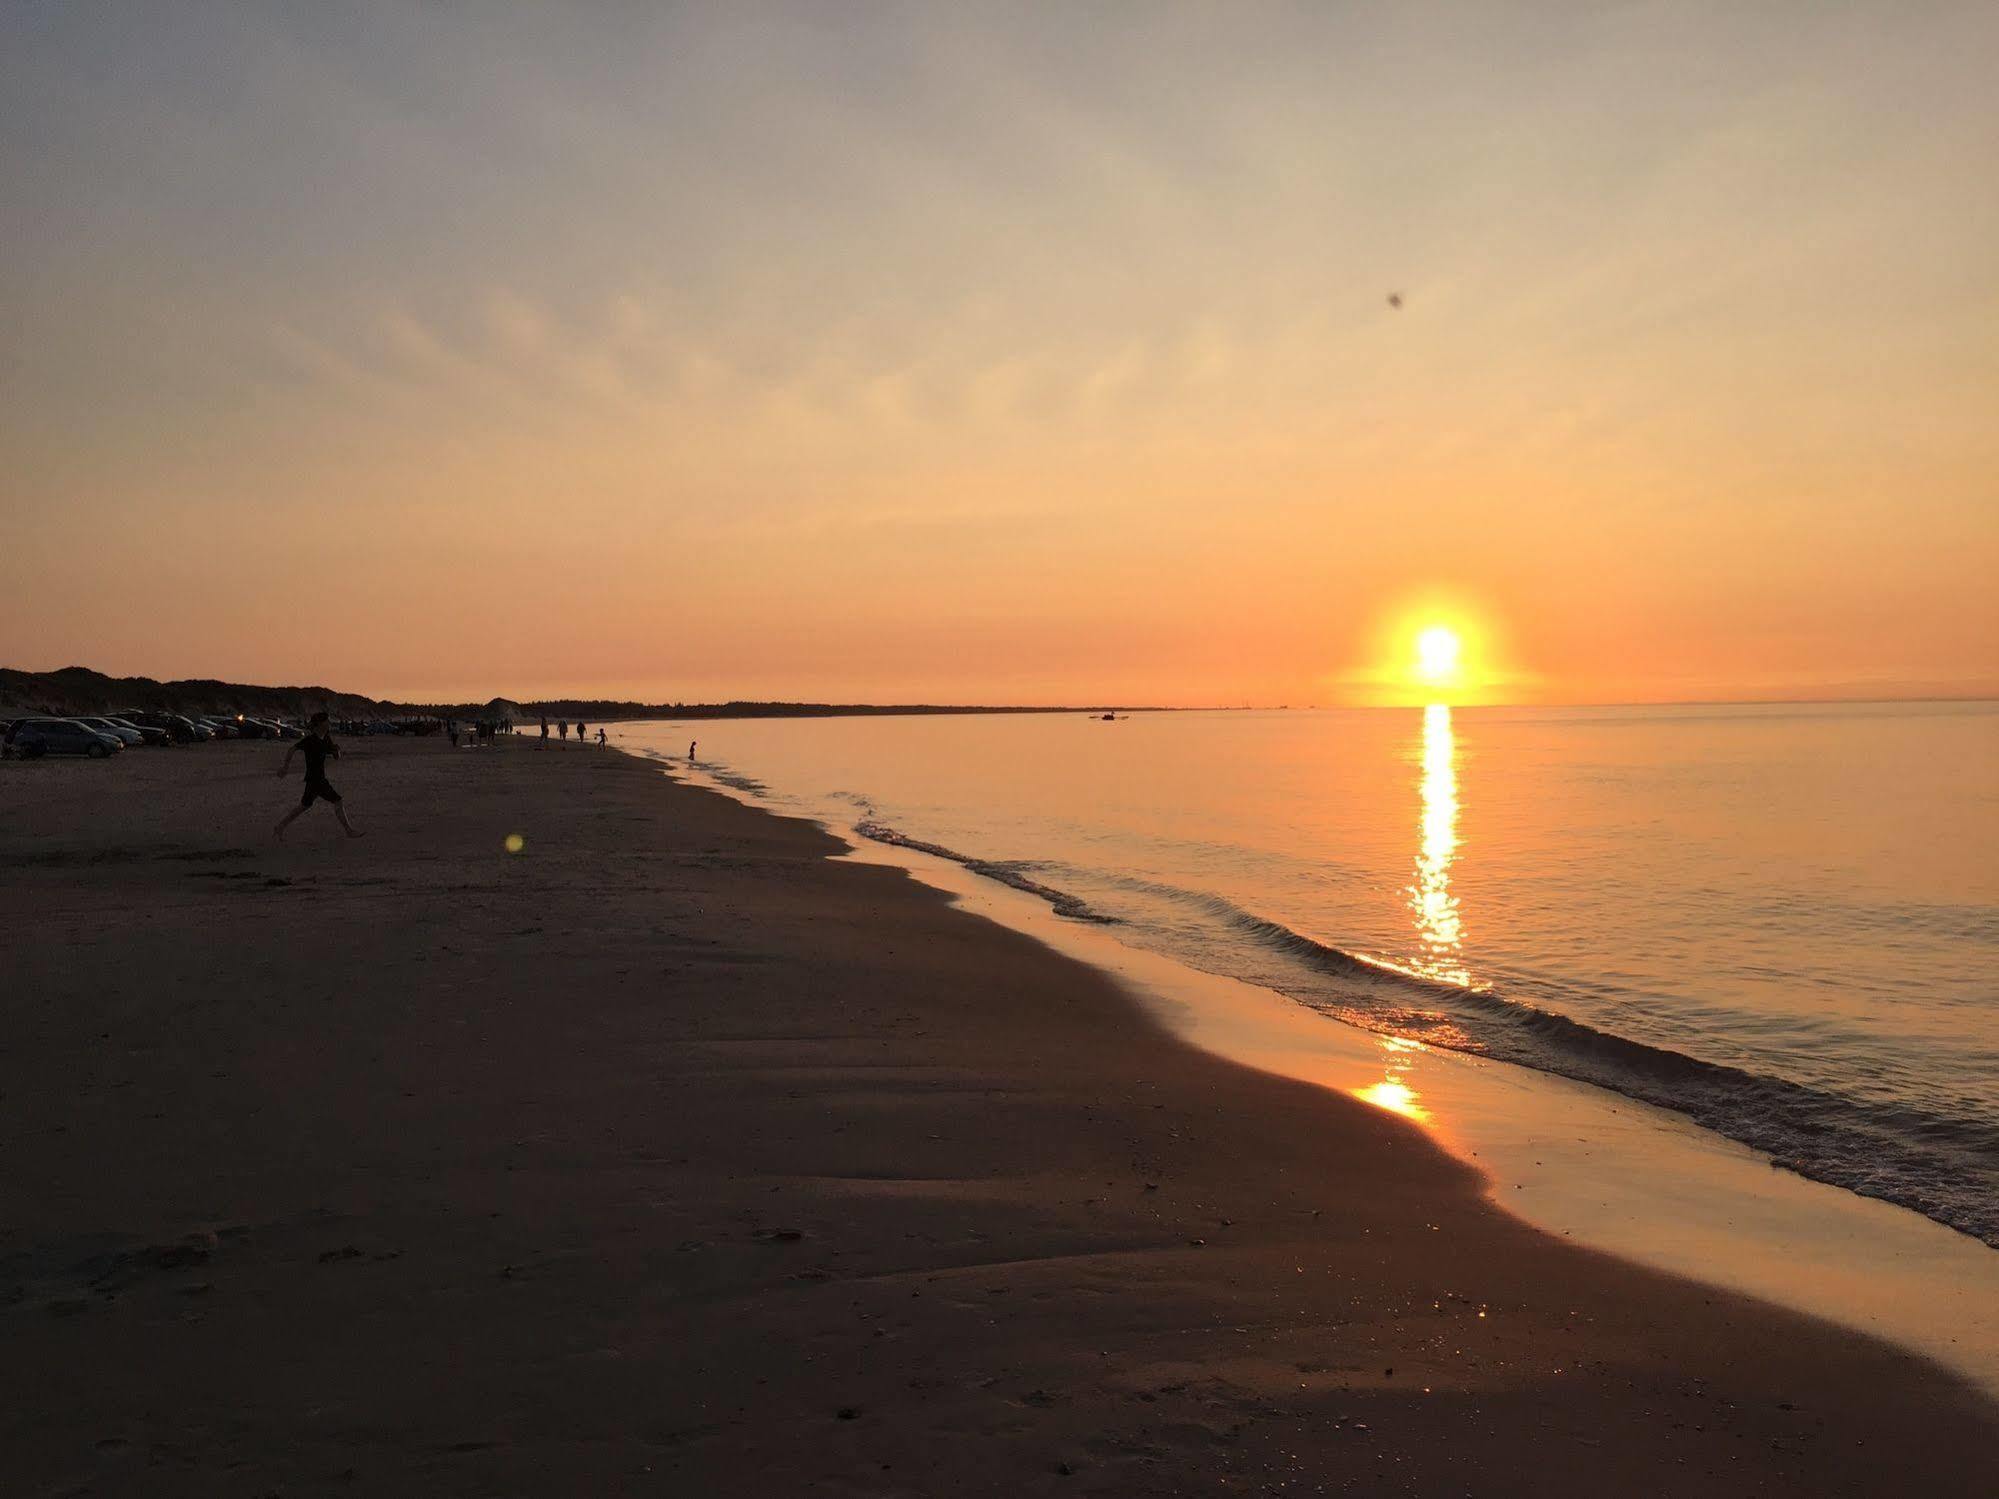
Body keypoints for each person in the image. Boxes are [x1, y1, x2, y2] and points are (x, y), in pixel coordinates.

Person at [274, 711, 361, 840]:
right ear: (320, 724)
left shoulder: (326, 737)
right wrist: (285, 767)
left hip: (315, 779)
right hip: (317, 779)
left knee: (304, 805)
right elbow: (292, 749)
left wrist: (337, 751)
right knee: (337, 800)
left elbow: (336, 756)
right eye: (327, 721)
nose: (329, 723)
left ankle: (280, 827)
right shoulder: (310, 740)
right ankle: (349, 831)